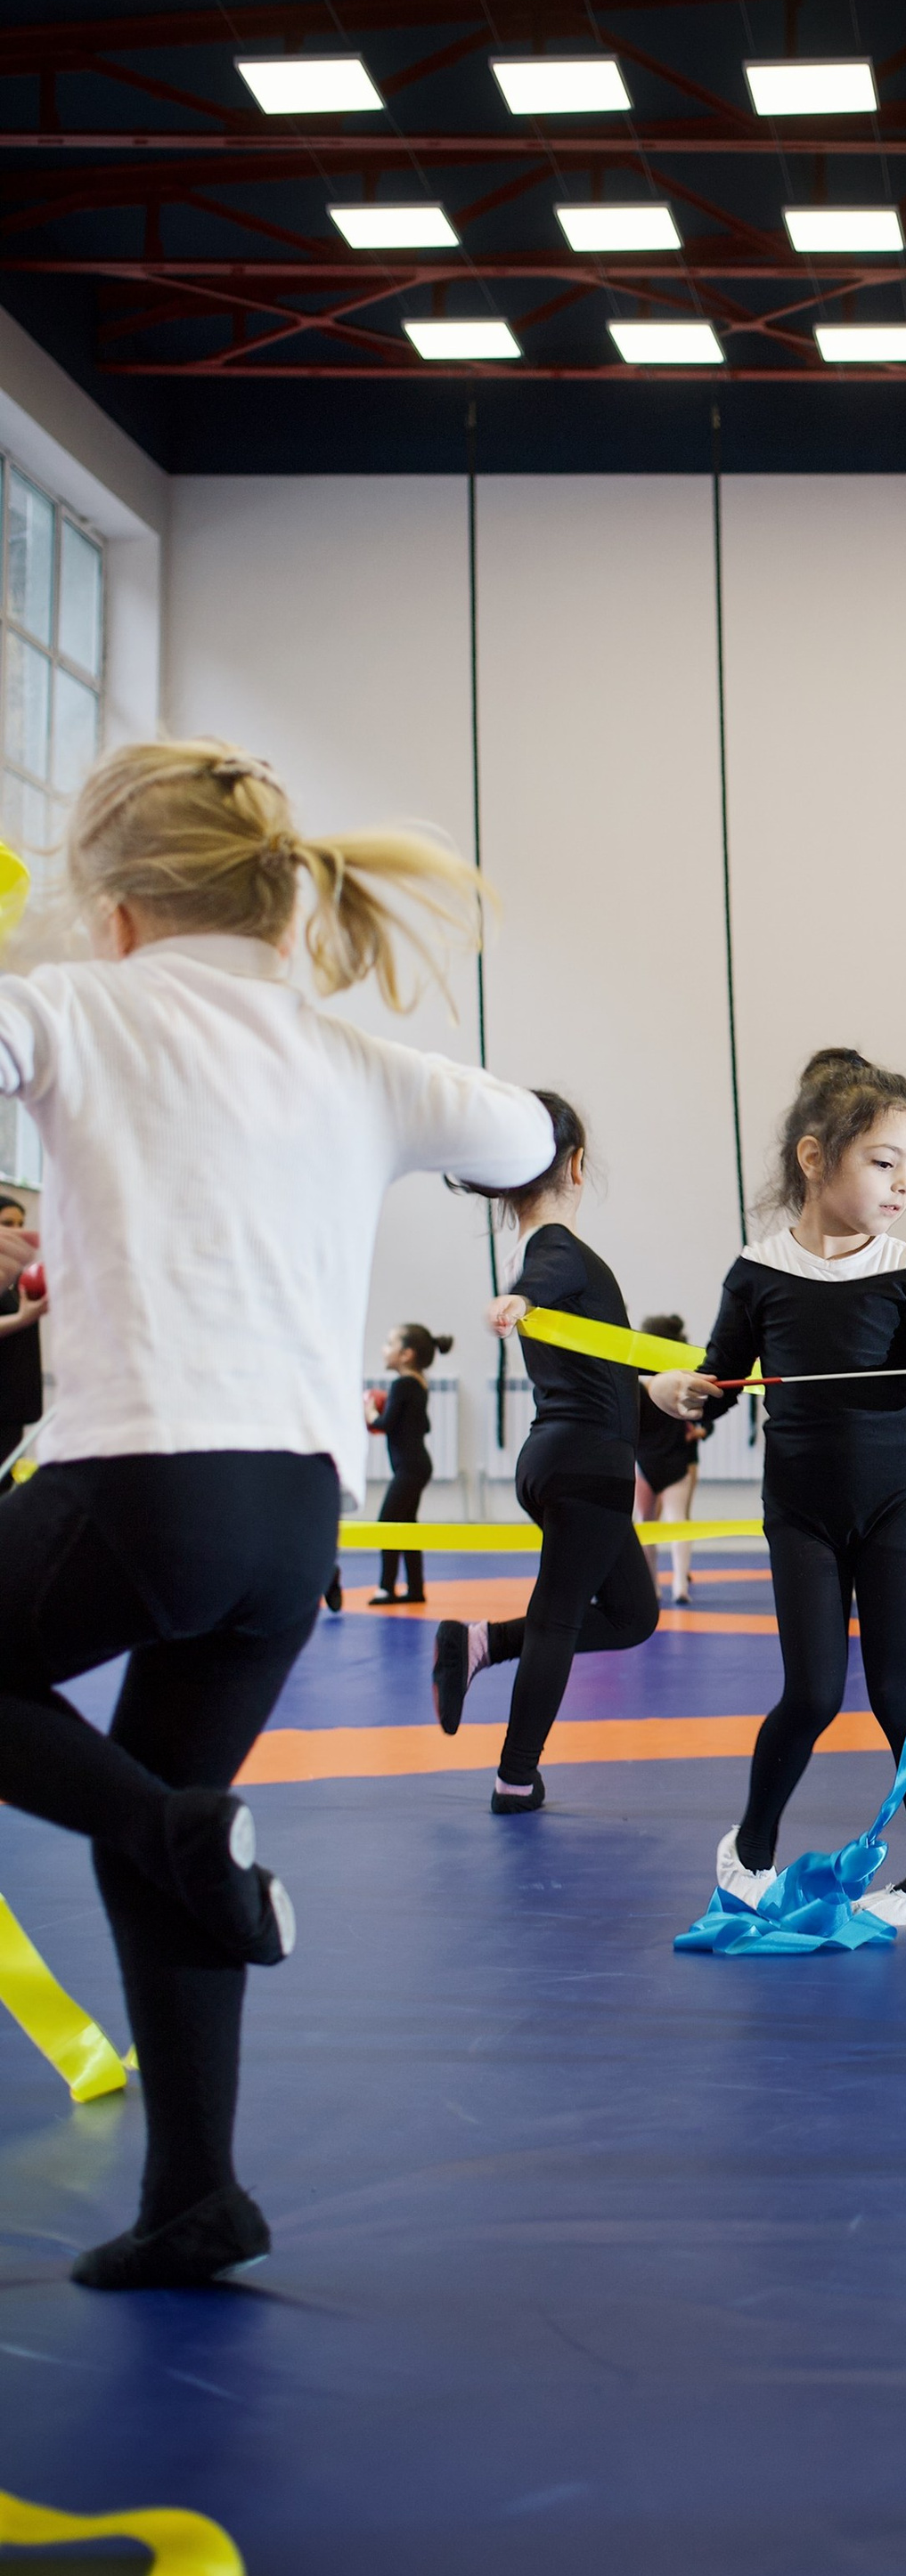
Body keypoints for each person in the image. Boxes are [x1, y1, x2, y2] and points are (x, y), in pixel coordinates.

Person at [0, 736, 552, 2288]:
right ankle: (197, 2196)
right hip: (291, 1518)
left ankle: (172, 1826)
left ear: (113, 908)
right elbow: (521, 1137)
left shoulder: (75, 1011)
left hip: (142, 1476)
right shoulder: (346, 1058)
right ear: (287, 906)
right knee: (165, 1849)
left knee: (154, 1821)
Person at [647, 1049, 906, 1930]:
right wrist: (677, 1392)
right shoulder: (756, 1273)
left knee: (901, 1696)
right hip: (800, 1510)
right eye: (883, 1162)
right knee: (813, 1695)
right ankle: (748, 1851)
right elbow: (717, 1384)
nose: (903, 1183)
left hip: (896, 1503)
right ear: (813, 1158)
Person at [430, 1099, 659, 1811]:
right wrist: (519, 1299)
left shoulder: (537, 1251)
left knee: (632, 1615)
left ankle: (481, 1643)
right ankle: (515, 1776)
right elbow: (547, 1273)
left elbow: (608, 1363)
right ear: (577, 1165)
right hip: (585, 1463)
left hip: (564, 1458)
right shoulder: (554, 1248)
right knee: (559, 1617)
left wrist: (667, 1385)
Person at [368, 1320, 449, 1604]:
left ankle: (386, 1588)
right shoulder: (418, 1384)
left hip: (410, 1468)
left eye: (390, 1344)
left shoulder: (403, 1384)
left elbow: (387, 1423)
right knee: (407, 1527)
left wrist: (369, 1412)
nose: (384, 1349)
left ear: (406, 1354)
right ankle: (416, 1589)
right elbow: (422, 1425)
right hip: (416, 1466)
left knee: (387, 1524)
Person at [634, 1312, 700, 1607]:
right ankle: (677, 1583)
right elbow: (702, 1413)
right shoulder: (681, 1378)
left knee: (649, 1523)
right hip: (672, 1461)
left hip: (650, 1462)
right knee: (676, 1522)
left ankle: (653, 1586)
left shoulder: (640, 1379)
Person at [0, 1190, 48, 1486]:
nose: (17, 1232)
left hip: (12, 1404)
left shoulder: (21, 1278)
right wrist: (21, 1319)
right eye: (8, 1223)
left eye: (21, 1223)